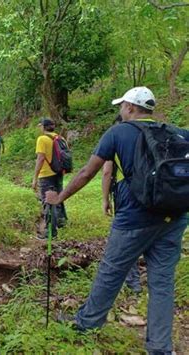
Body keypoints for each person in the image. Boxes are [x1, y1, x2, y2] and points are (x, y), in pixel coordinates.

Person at [46, 86, 189, 354]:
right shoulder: (177, 132)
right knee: (162, 283)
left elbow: (88, 173)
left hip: (135, 219)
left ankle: (87, 323)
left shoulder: (118, 132)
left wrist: (60, 197)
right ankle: (160, 348)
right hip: (175, 217)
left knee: (111, 271)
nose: (120, 111)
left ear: (131, 108)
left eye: (121, 106)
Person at [101, 115, 142, 294]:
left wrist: (105, 199)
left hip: (128, 194)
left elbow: (107, 172)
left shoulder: (117, 137)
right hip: (157, 194)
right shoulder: (148, 134)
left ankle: (132, 282)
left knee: (125, 239)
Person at [32, 118, 67, 238]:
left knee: (48, 201)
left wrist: (35, 177)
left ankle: (50, 232)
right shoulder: (60, 138)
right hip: (58, 172)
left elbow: (41, 158)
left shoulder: (42, 139)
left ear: (43, 127)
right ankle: (62, 221)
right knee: (58, 196)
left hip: (46, 174)